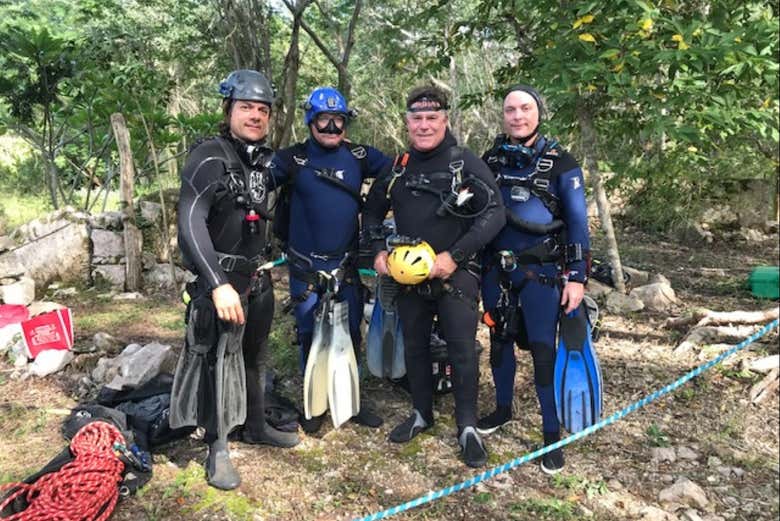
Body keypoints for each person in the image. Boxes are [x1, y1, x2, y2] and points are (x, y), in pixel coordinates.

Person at [362, 85, 505, 468]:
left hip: (456, 274)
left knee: (462, 350)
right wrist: (377, 251)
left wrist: (454, 257)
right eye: (417, 119)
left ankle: (467, 428)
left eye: (431, 118)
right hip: (407, 277)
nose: (424, 125)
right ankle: (422, 414)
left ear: (445, 120)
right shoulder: (398, 167)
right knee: (415, 346)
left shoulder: (464, 162)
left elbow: (495, 214)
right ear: (407, 122)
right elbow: (372, 212)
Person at [170, 69, 299, 491]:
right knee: (218, 361)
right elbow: (190, 223)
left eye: (263, 110)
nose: (256, 116)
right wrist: (216, 283)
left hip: (257, 279)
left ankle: (256, 425)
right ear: (228, 110)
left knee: (255, 358)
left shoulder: (262, 162)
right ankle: (218, 447)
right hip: (220, 283)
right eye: (247, 107)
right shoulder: (208, 157)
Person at [478, 84, 590, 474]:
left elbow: (577, 223)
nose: (517, 116)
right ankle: (503, 409)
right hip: (496, 270)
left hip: (541, 273)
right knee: (499, 340)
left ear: (538, 112)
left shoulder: (562, 162)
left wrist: (577, 278)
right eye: (510, 110)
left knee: (544, 350)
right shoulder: (490, 158)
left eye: (525, 108)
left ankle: (549, 435)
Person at [270, 86, 390, 433]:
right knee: (310, 333)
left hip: (347, 265)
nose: (332, 127)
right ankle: (315, 405)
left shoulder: (359, 155)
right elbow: (257, 184)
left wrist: (374, 209)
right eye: (325, 119)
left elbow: (396, 171)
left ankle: (350, 401)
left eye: (339, 120)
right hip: (306, 267)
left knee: (350, 332)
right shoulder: (292, 159)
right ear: (311, 120)